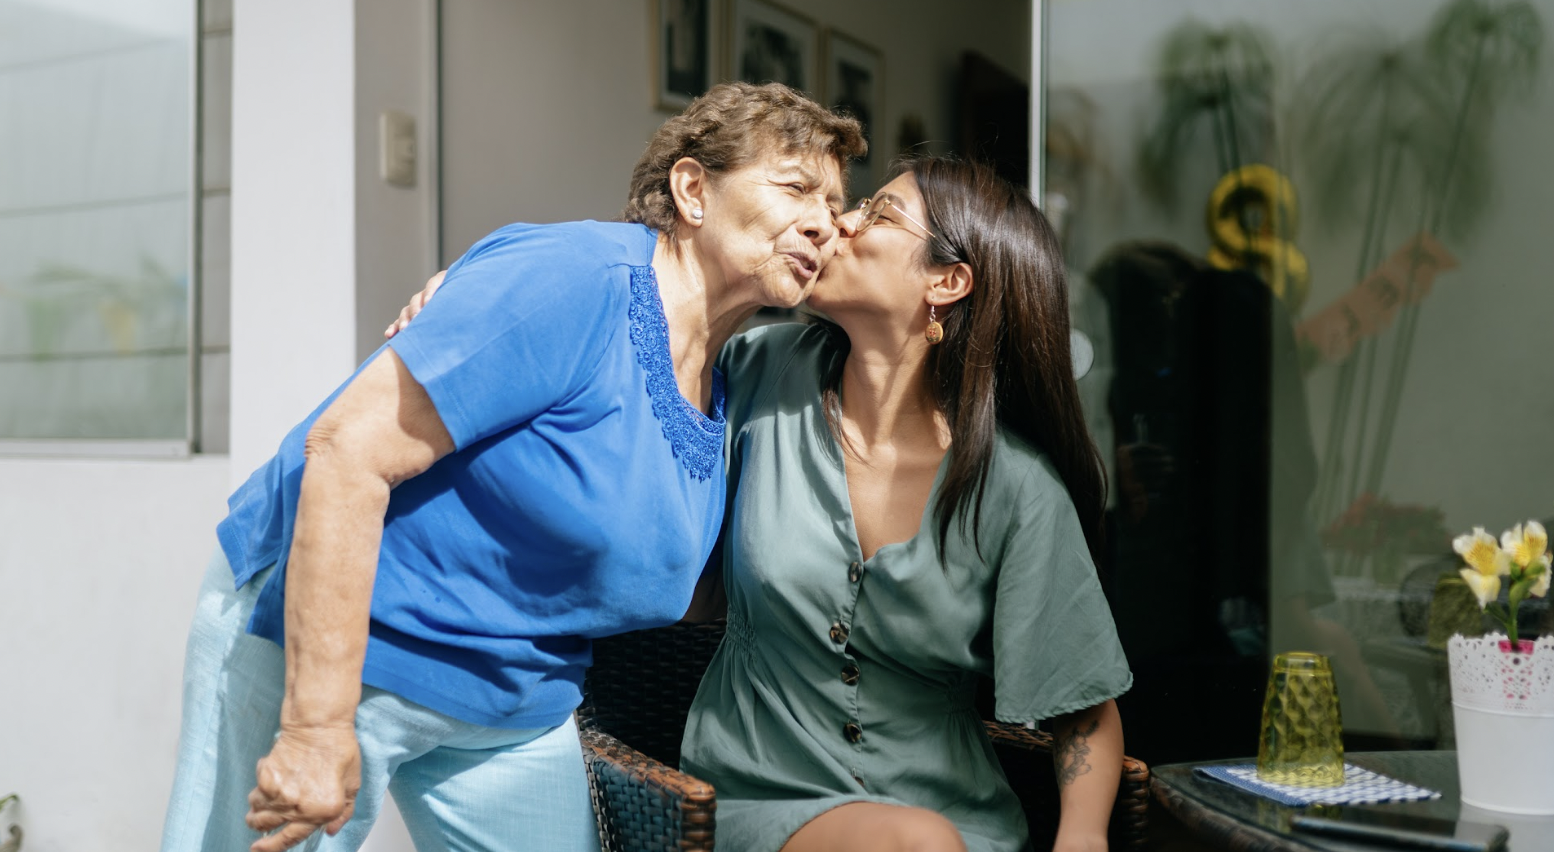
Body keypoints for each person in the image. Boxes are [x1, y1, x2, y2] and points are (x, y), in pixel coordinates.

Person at [160, 81, 864, 852]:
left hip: (514, 697)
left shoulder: (731, 377)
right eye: (797, 188)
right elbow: (345, 452)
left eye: (836, 207)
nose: (824, 223)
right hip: (341, 648)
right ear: (693, 189)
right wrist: (314, 729)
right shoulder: (577, 280)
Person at [392, 157, 1131, 852]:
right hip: (756, 798)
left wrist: (1082, 838)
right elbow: (623, 313)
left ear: (947, 282)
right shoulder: (755, 373)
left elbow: (1083, 708)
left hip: (958, 819)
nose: (838, 223)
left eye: (878, 213)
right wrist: (476, 289)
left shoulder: (1017, 487)